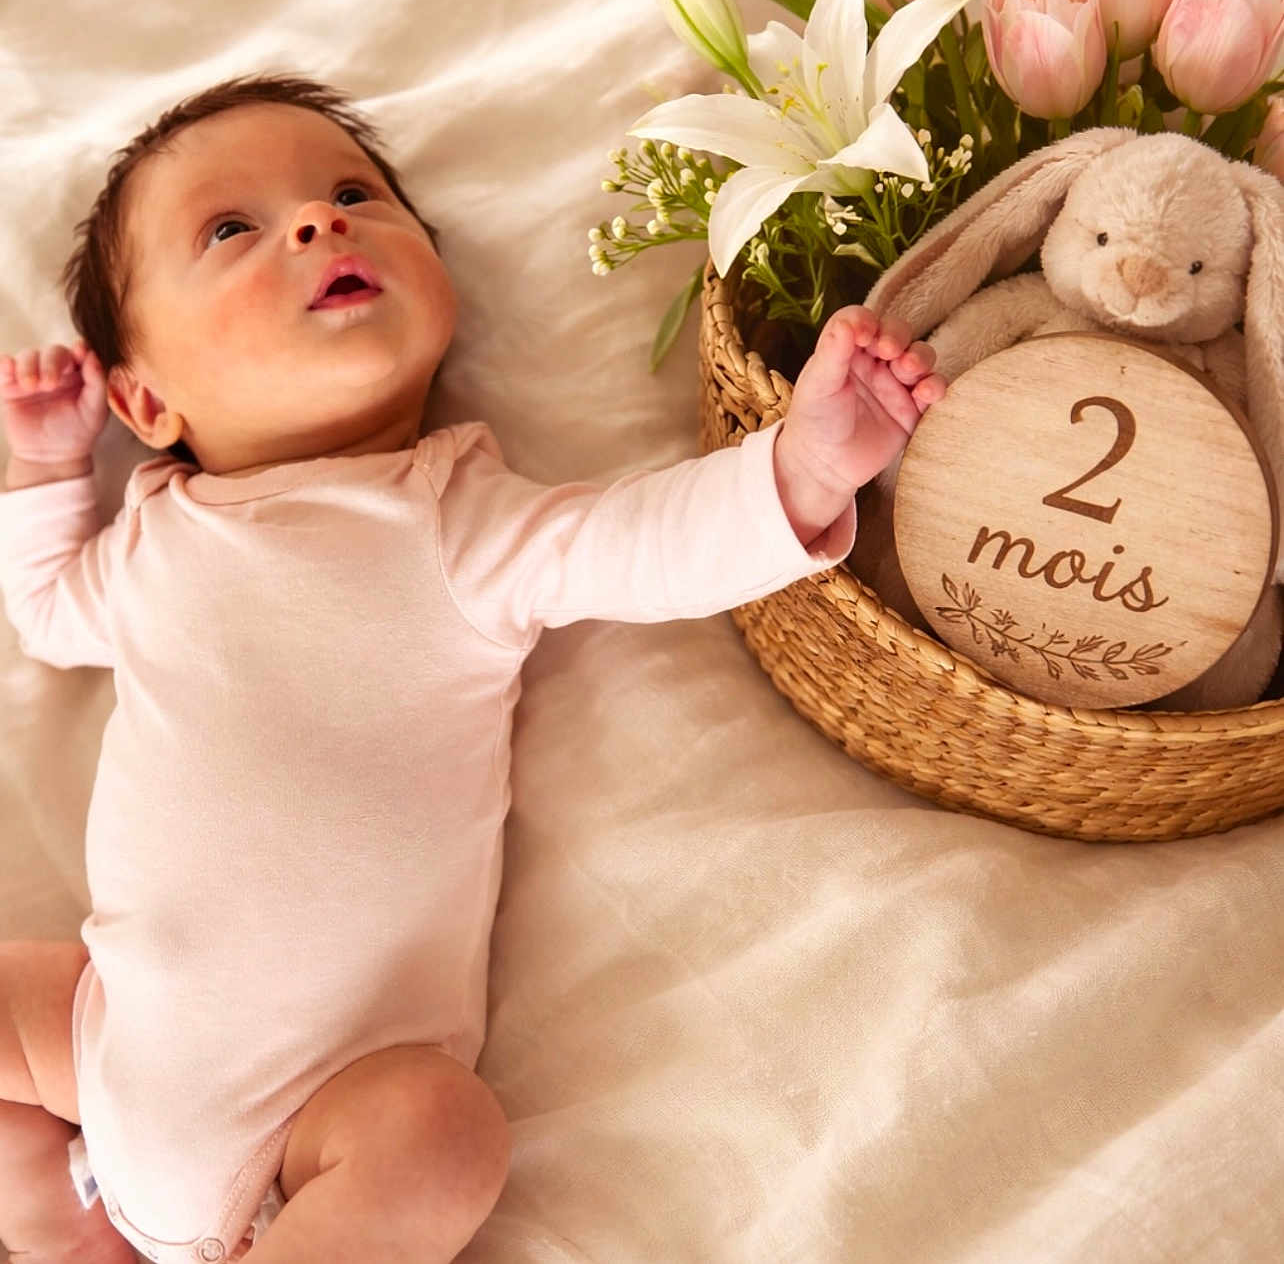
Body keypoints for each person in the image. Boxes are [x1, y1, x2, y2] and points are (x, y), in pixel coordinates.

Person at [0, 73, 945, 1264]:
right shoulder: (147, 542)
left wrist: (805, 470)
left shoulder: (453, 524)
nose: (318, 223)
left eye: (354, 193)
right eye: (231, 229)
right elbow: (42, 613)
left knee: (446, 1135)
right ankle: (63, 1232)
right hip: (97, 1041)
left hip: (318, 1130)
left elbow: (642, 544)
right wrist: (41, 471)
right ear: (144, 398)